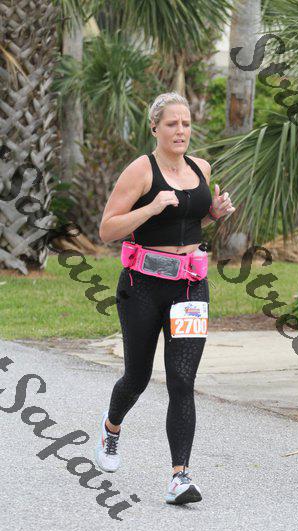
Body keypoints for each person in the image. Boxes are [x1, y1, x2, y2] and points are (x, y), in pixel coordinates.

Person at [95, 91, 235, 505]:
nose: (180, 131)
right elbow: (107, 229)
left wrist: (214, 213)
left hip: (190, 286)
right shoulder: (141, 170)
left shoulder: (201, 168)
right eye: (172, 124)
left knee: (182, 380)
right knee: (137, 377)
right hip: (141, 286)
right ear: (154, 127)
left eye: (186, 124)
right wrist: (152, 207)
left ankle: (179, 477)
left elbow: (191, 218)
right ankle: (111, 428)